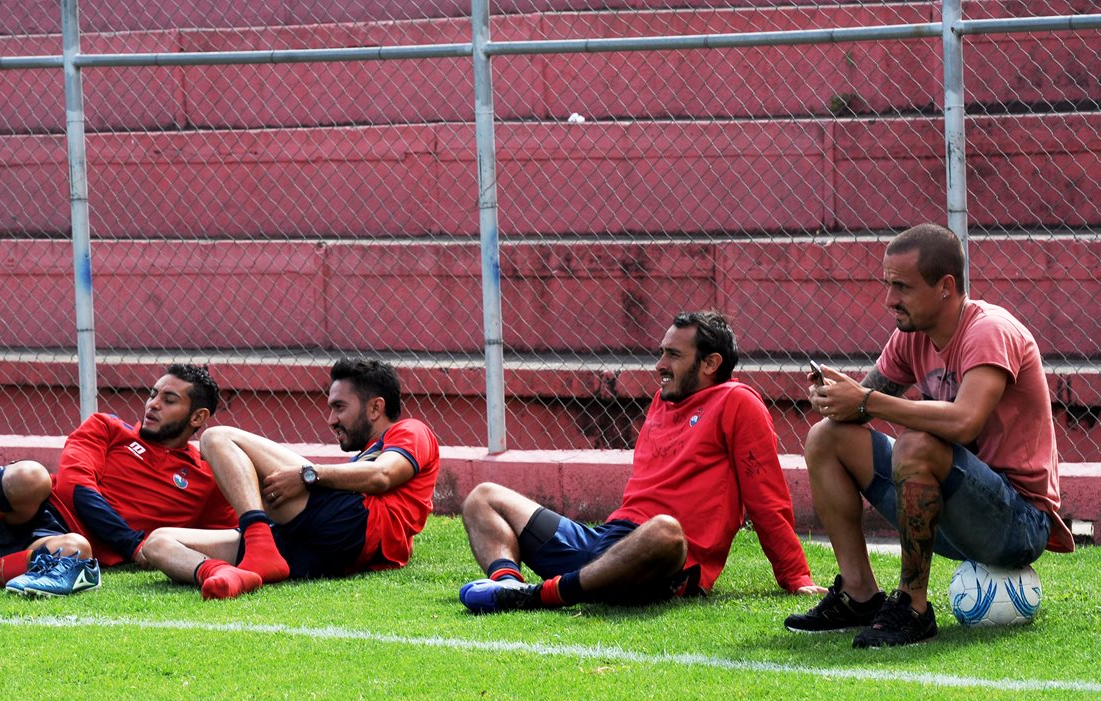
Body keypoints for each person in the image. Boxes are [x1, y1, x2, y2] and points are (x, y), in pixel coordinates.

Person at [785, 223, 1074, 648]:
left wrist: (865, 400)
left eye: (901, 287)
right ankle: (858, 594)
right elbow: (863, 405)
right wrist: (836, 396)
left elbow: (964, 422)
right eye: (887, 285)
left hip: (1018, 523)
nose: (889, 300)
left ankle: (913, 607)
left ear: (945, 287)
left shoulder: (990, 331)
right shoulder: (911, 335)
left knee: (916, 443)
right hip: (957, 511)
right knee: (827, 437)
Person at [458, 311, 825, 614]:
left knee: (665, 529)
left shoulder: (738, 402)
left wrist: (796, 577)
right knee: (482, 497)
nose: (660, 365)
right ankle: (507, 584)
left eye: (674, 356)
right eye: (662, 352)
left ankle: (540, 596)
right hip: (610, 542)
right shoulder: (663, 398)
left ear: (711, 363)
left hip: (666, 557)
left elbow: (766, 499)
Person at [0, 364, 237, 596]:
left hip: (55, 547)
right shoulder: (108, 427)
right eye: (153, 394)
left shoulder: (207, 480)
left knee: (76, 548)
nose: (152, 404)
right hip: (23, 512)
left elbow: (231, 537)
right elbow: (77, 487)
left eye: (169, 400)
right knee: (30, 474)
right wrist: (131, 543)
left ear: (198, 417)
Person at [140, 357, 440, 600]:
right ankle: (222, 574)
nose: (332, 420)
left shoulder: (411, 430)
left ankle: (259, 545)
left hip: (356, 525)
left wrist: (308, 475)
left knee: (218, 437)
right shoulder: (361, 457)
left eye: (340, 407)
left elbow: (382, 475)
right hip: (324, 551)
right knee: (159, 542)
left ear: (376, 407)